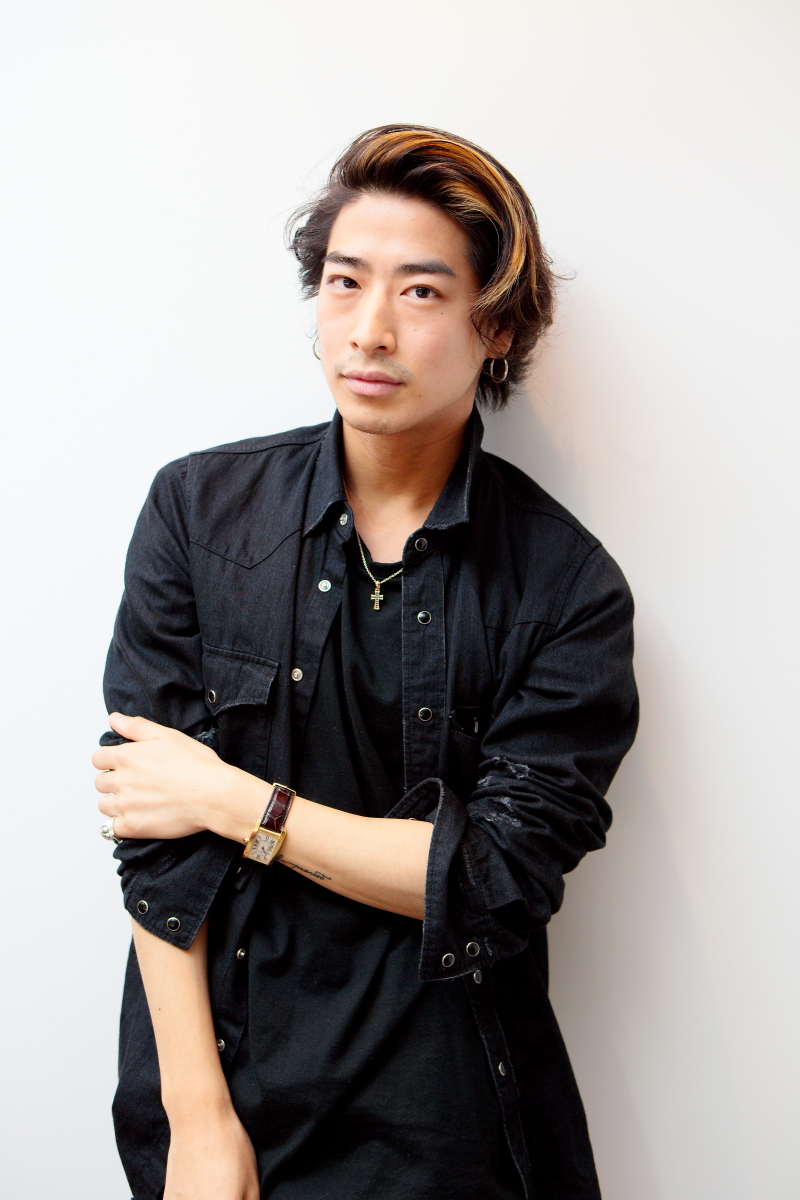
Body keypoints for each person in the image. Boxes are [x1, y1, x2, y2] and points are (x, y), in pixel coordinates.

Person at [93, 124, 638, 1200]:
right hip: (227, 1092)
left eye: (421, 292)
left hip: (447, 1120)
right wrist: (196, 1119)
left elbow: (490, 878)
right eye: (345, 282)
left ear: (495, 327)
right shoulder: (199, 514)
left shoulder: (565, 586)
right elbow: (153, 838)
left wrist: (239, 803)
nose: (370, 329)